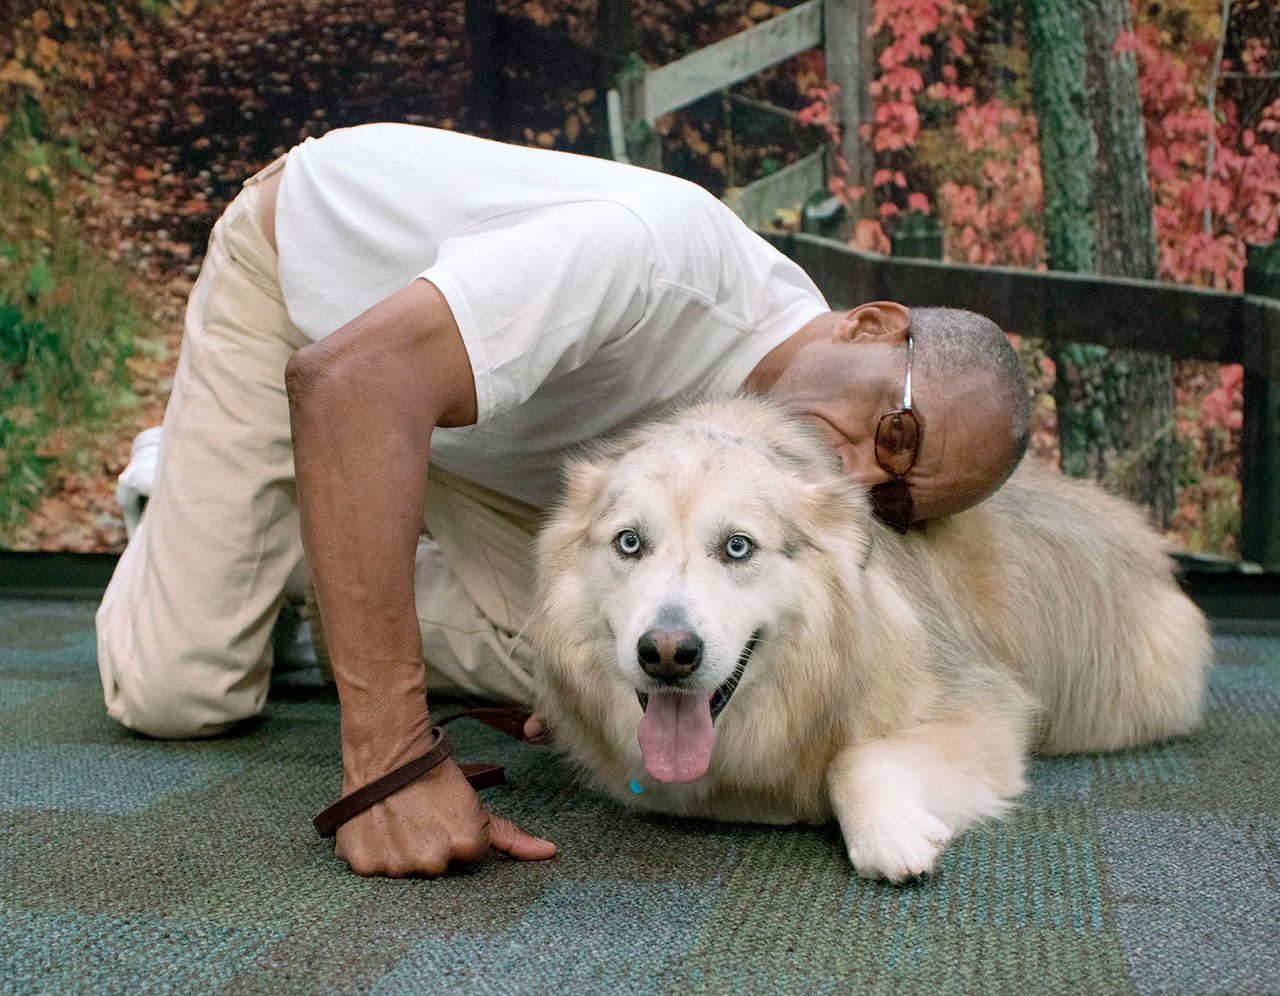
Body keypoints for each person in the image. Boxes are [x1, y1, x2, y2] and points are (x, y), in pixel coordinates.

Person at [95, 123, 1031, 878]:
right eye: (894, 432)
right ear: (871, 323)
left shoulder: (782, 449)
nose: (864, 478)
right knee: (182, 692)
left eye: (897, 498)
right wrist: (390, 762)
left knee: (581, 665)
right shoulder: (653, 257)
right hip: (323, 324)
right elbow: (351, 377)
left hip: (480, 437)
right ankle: (187, 474)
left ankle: (339, 517)